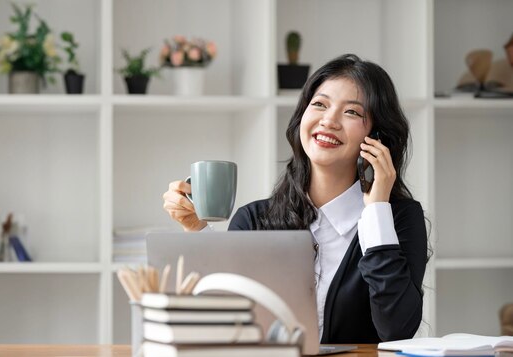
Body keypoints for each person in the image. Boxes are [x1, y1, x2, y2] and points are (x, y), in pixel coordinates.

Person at [162, 54, 428, 344]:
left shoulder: (399, 218)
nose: (329, 120)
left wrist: (378, 209)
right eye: (319, 104)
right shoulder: (254, 220)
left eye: (351, 112)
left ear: (376, 137)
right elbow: (225, 328)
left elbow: (397, 330)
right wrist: (197, 232)